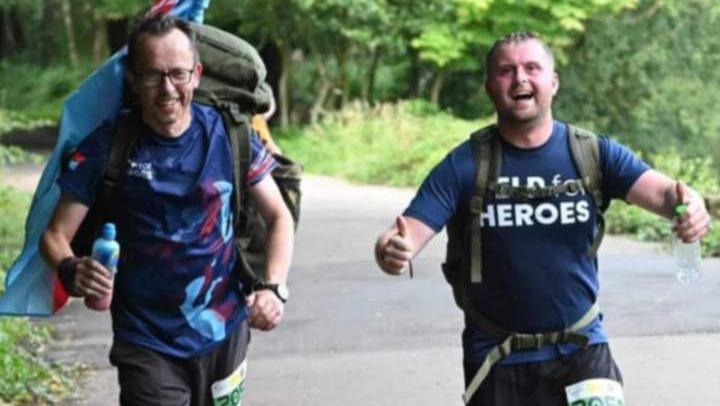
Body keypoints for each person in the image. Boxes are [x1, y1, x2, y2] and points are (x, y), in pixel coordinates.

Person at [374, 31, 711, 405]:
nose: (520, 78)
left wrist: (691, 206)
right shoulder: (465, 165)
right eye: (506, 71)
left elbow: (667, 194)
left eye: (532, 68)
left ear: (553, 82)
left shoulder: (593, 153)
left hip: (583, 350)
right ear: (490, 86)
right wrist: (392, 249)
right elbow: (405, 234)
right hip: (497, 356)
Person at [40, 14, 294, 405]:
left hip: (225, 333)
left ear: (196, 74)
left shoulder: (229, 136)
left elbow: (279, 217)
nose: (167, 90)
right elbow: (55, 236)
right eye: (153, 75)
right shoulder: (107, 148)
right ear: (132, 78)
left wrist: (274, 287)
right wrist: (71, 268)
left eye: (178, 74)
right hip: (146, 342)